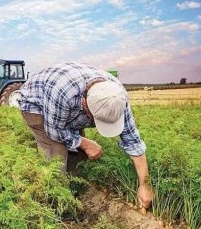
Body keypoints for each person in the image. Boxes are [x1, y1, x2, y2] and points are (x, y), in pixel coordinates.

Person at [18, 62, 153, 209]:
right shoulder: (64, 93)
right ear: (84, 104)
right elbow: (54, 131)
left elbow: (133, 141)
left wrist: (144, 185)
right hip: (36, 104)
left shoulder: (117, 97)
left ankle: (76, 192)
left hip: (65, 106)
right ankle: (56, 205)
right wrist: (86, 143)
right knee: (56, 155)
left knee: (78, 153)